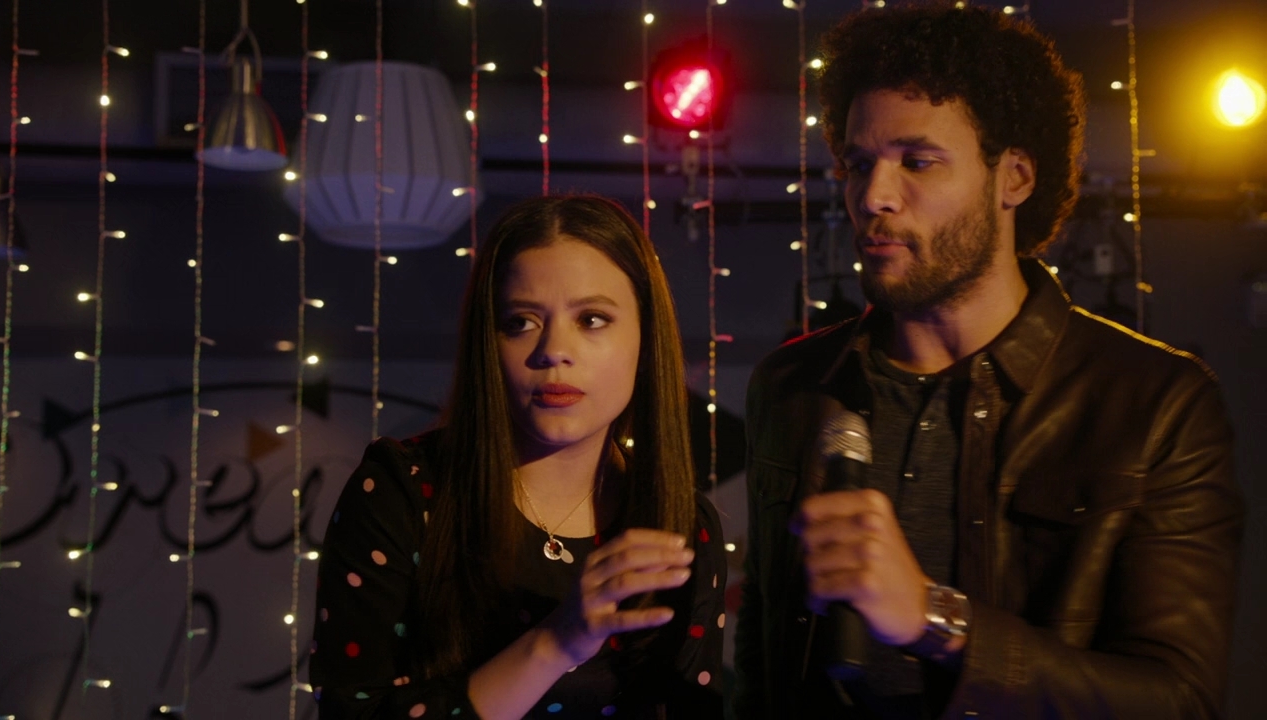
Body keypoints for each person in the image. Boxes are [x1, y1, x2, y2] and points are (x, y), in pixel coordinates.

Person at [734, 4, 1243, 719]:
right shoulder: (794, 386)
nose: (873, 196)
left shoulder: (1154, 403)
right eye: (858, 164)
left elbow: (1178, 701)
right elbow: (763, 667)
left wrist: (935, 619)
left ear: (1015, 178)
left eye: (917, 162)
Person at [311, 195, 726, 719]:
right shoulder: (404, 490)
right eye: (521, 322)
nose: (553, 350)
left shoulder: (682, 524)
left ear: (646, 341)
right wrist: (554, 643)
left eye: (592, 319)